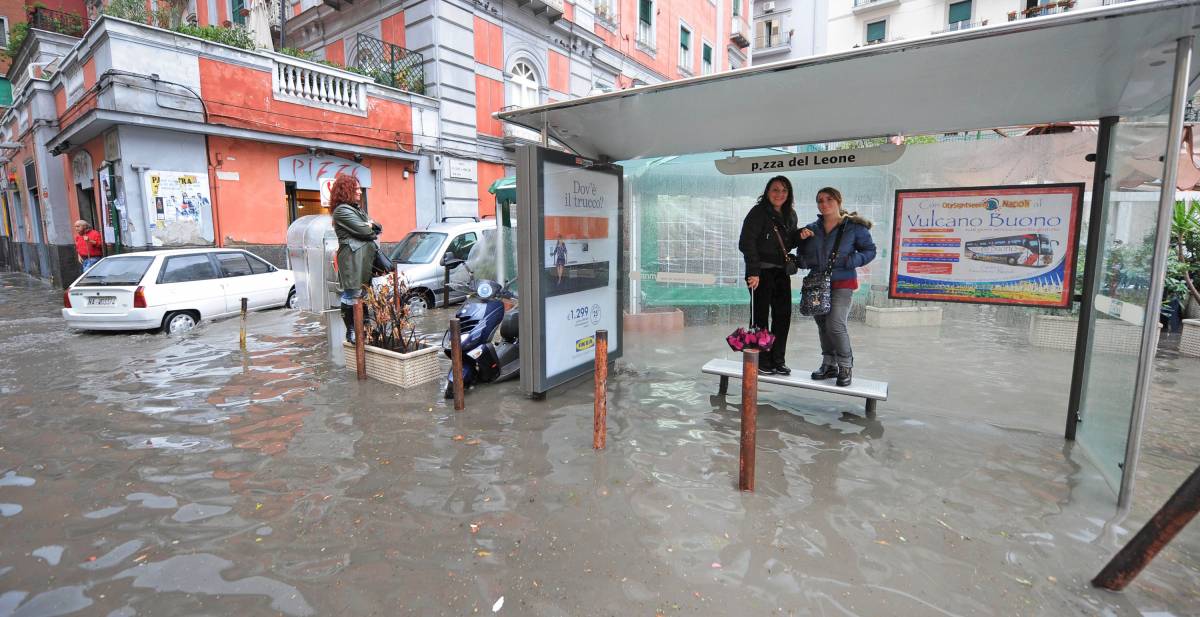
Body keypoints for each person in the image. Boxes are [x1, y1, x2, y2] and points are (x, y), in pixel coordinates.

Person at [797, 187, 876, 387]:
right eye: (820, 200)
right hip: (817, 284)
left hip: (843, 281)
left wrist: (852, 260)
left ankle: (845, 366)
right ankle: (829, 364)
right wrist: (802, 253)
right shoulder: (811, 229)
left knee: (835, 324)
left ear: (838, 201)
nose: (824, 204)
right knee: (823, 325)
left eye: (828, 199)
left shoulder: (854, 227)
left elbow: (870, 250)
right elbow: (802, 258)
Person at [738, 175, 799, 375]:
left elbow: (788, 243)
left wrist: (801, 235)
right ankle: (761, 360)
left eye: (784, 190)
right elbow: (746, 243)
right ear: (767, 192)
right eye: (775, 190)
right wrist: (754, 272)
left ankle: (777, 359)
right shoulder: (758, 213)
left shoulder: (791, 215)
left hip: (781, 272)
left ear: (788, 194)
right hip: (760, 273)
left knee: (783, 316)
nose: (779, 194)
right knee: (760, 317)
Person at [331, 174, 378, 343]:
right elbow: (367, 232)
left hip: (363, 259)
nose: (360, 191)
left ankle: (365, 327)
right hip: (352, 259)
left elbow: (377, 226)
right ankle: (351, 330)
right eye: (356, 188)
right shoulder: (342, 211)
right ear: (347, 190)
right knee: (351, 294)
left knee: (362, 294)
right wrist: (369, 227)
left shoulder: (356, 209)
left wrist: (370, 227)